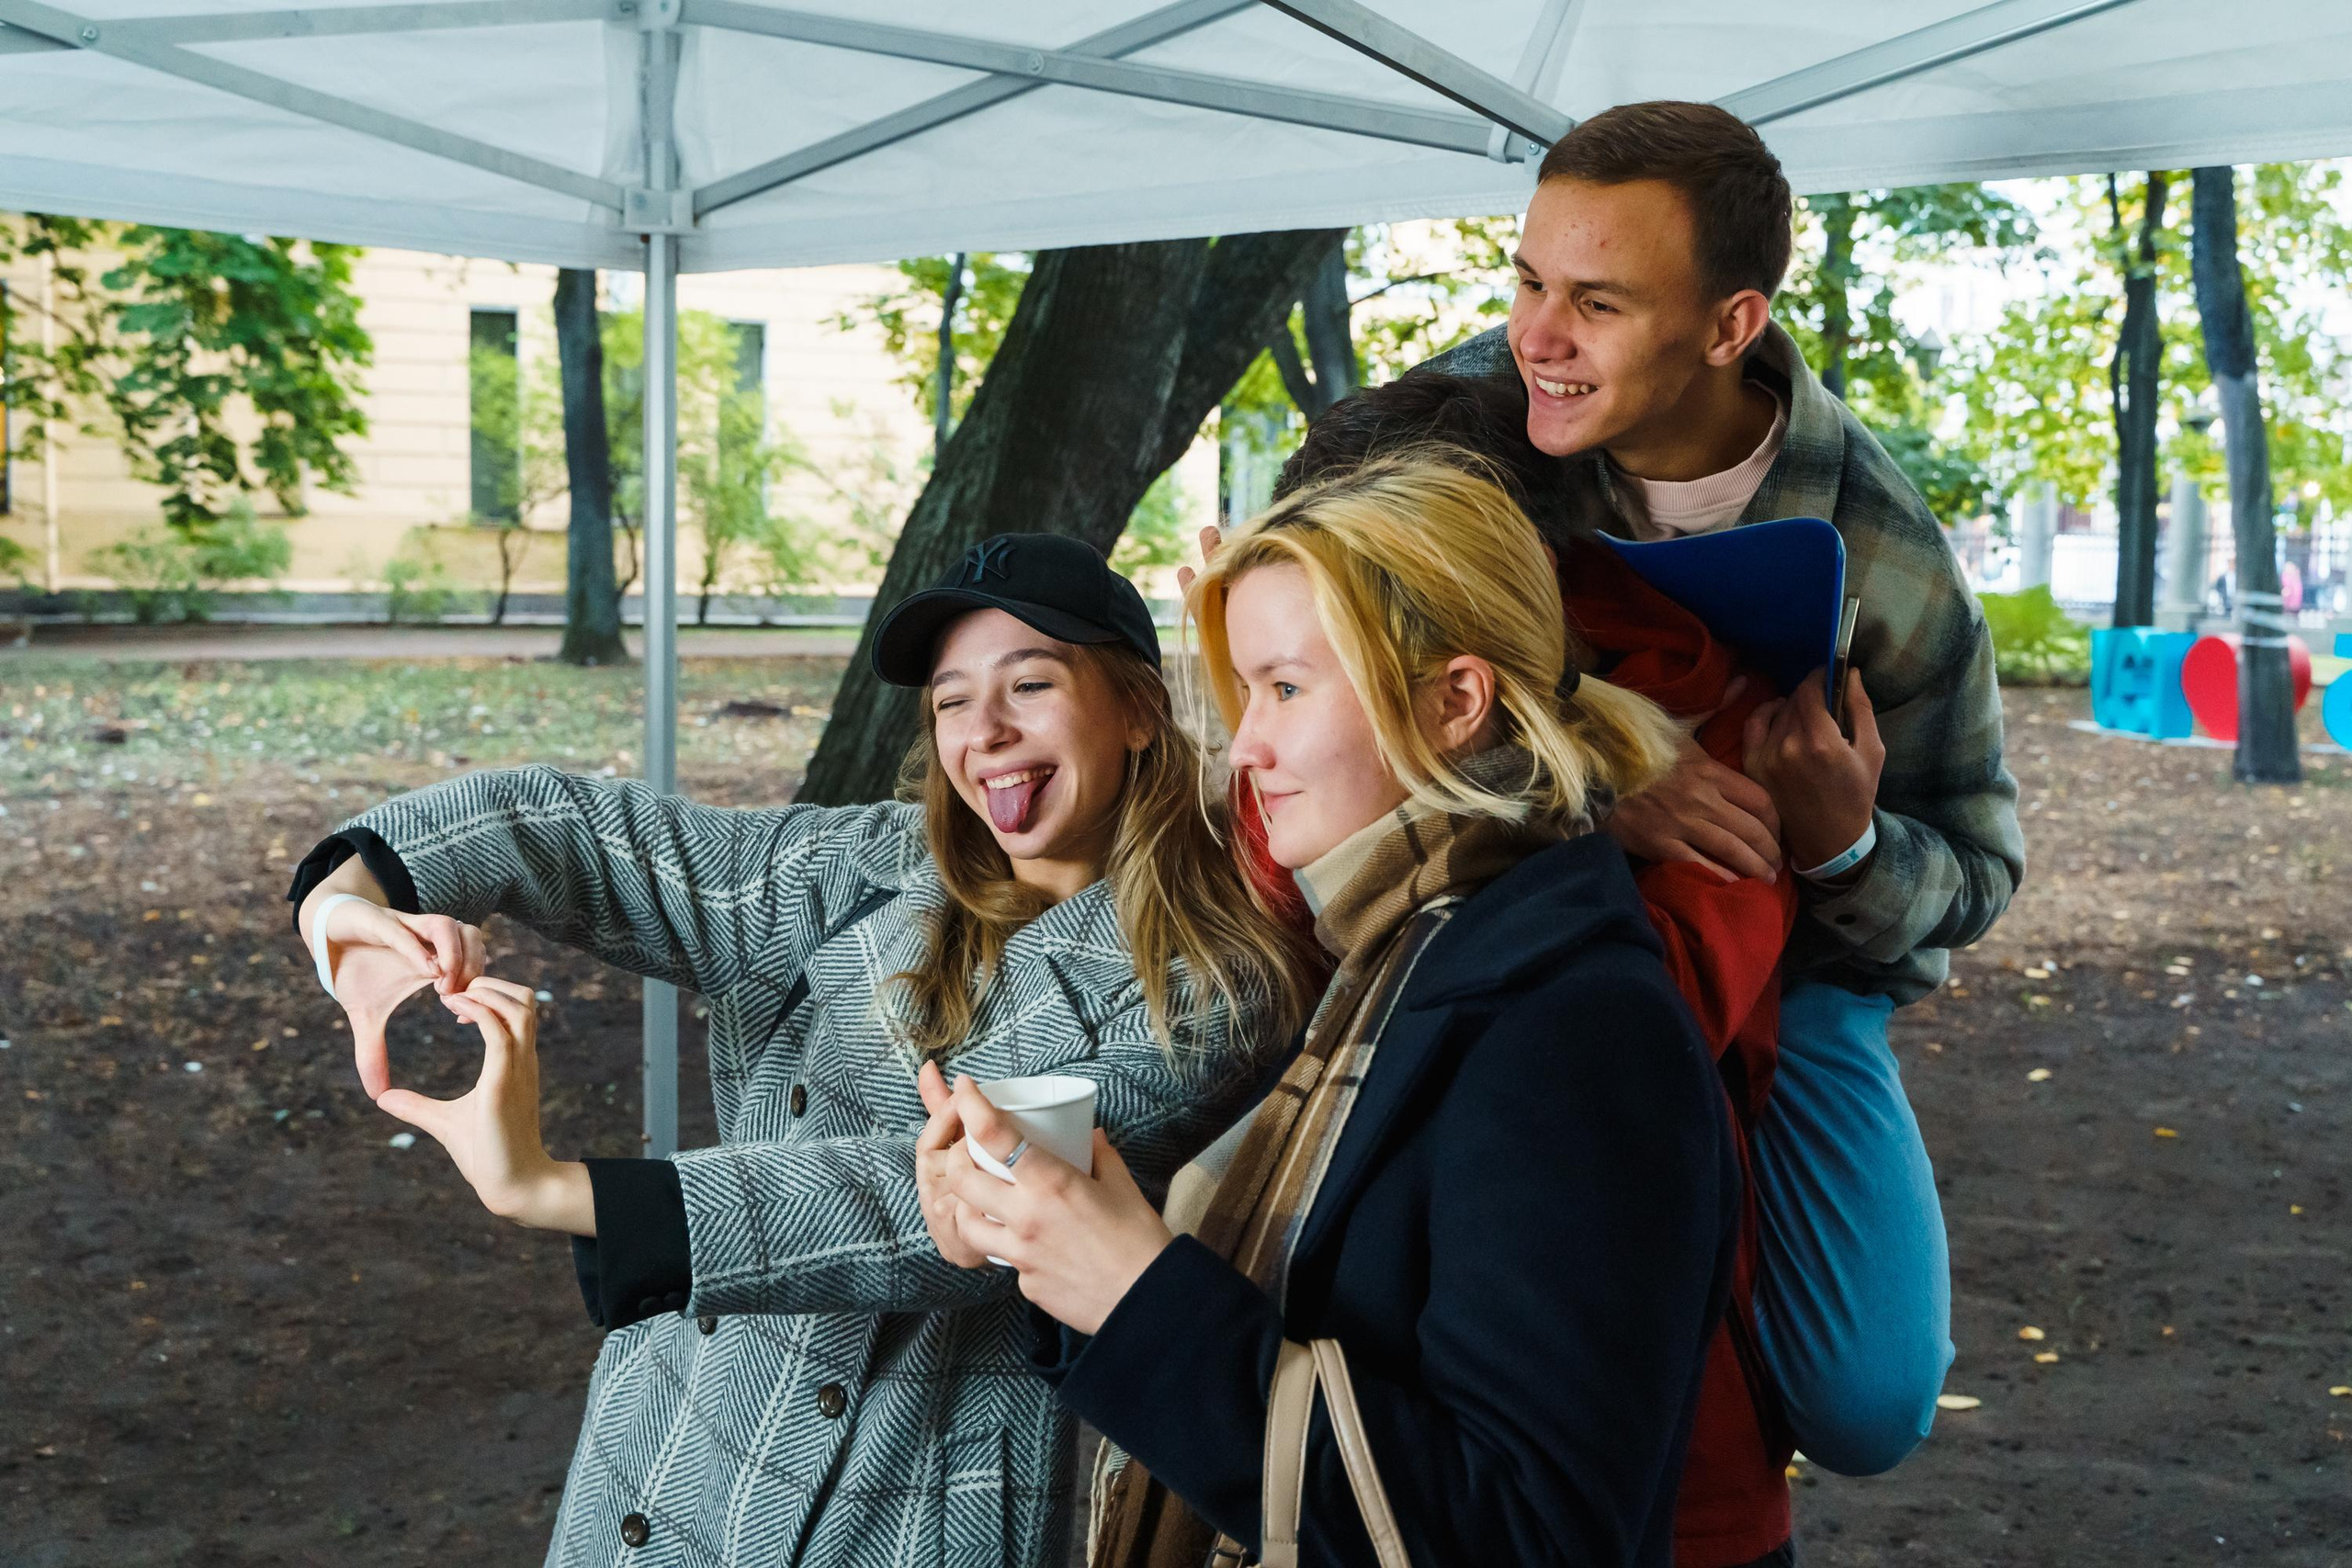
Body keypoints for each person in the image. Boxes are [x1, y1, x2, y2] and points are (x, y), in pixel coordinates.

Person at [283, 534, 1319, 1568]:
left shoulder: (1214, 982)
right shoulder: (855, 866)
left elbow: (957, 1198)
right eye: (952, 701)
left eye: (1031, 684)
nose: (987, 732)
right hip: (670, 1453)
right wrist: (346, 908)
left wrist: (559, 1190)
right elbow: (579, 834)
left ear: (1138, 710)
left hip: (915, 1500)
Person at [920, 459, 1742, 1567]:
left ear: (1454, 702)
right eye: (1243, 693)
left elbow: (1528, 1534)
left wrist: (1133, 1291)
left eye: (1286, 688)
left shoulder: (1573, 1033)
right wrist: (1055, 1241)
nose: (1246, 746)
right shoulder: (1397, 957)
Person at [1419, 99, 2028, 1477]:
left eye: (1597, 302)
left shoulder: (1890, 556)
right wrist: (1588, 784)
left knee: (1870, 1402)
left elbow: (1978, 870)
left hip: (1787, 964)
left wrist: (1846, 846)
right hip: (1495, 925)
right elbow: (1326, 679)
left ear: (1729, 323)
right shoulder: (1452, 433)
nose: (1537, 336)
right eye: (1526, 282)